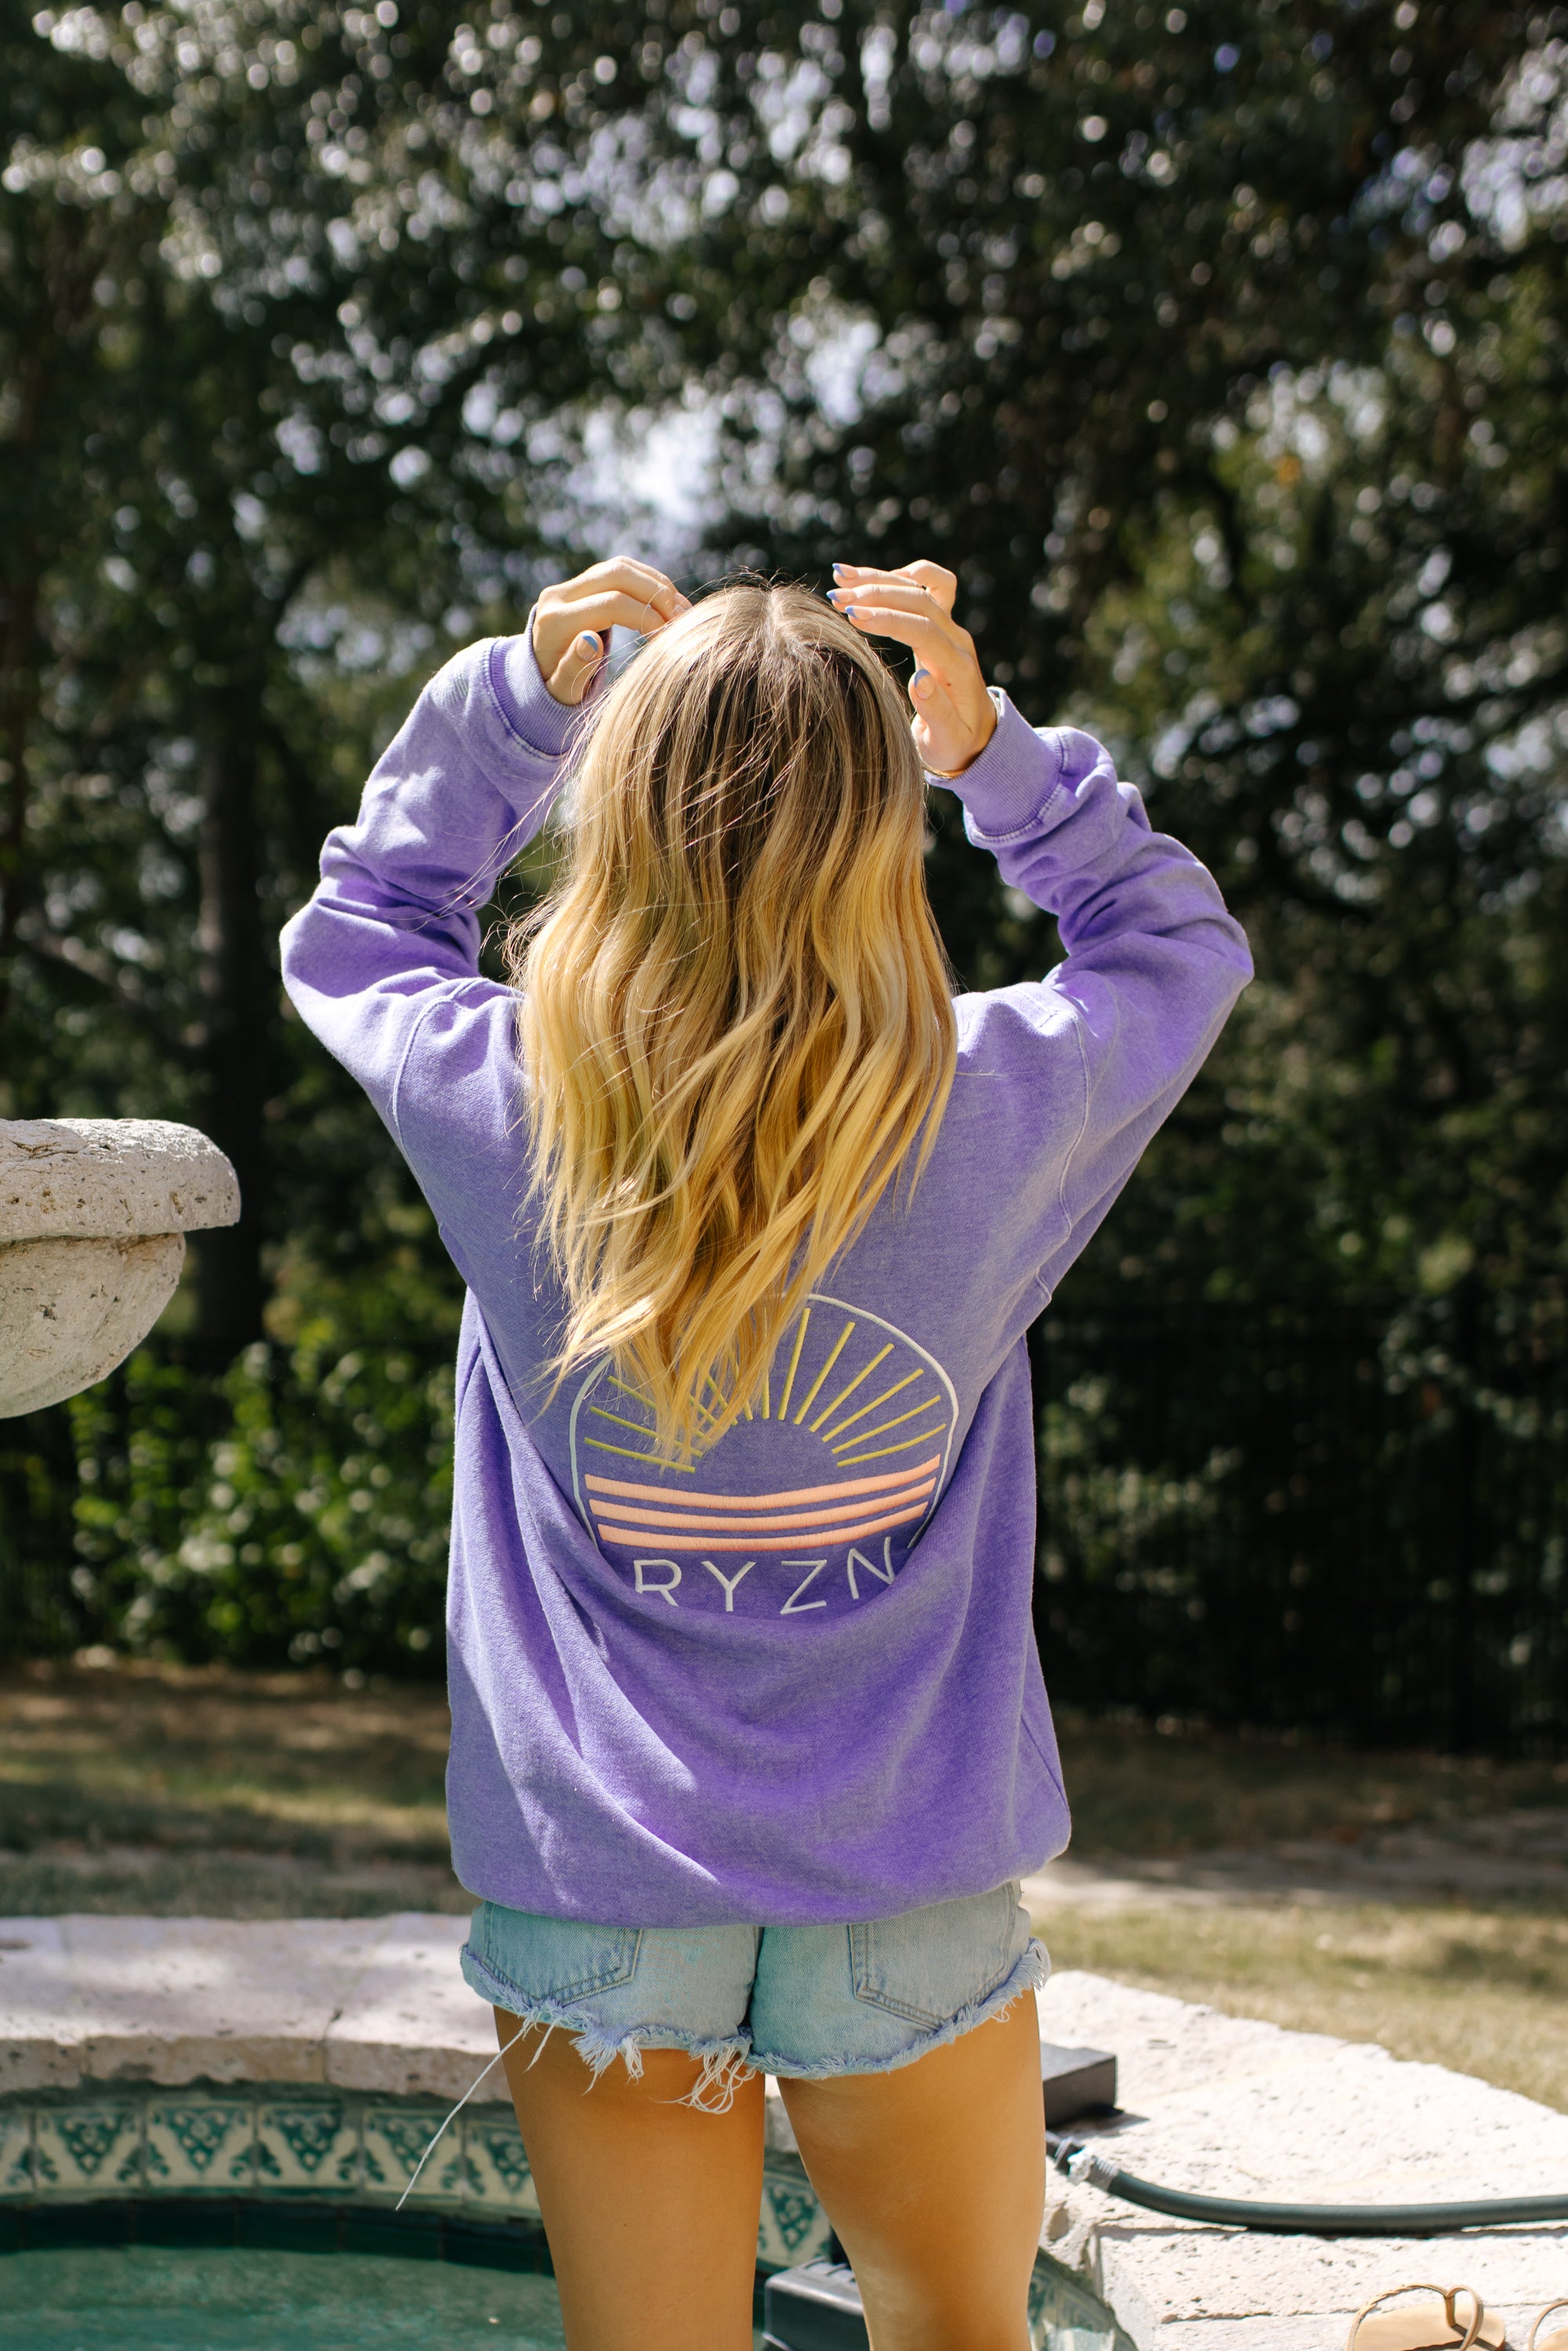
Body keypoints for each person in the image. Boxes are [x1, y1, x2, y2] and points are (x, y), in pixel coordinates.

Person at [281, 556, 1251, 2351]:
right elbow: (1174, 945)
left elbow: (363, 920)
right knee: (959, 2337)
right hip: (906, 1863)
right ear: (879, 834)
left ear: (619, 815)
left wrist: (511, 705)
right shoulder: (996, 1093)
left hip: (599, 1877)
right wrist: (993, 754)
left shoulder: (501, 1095)